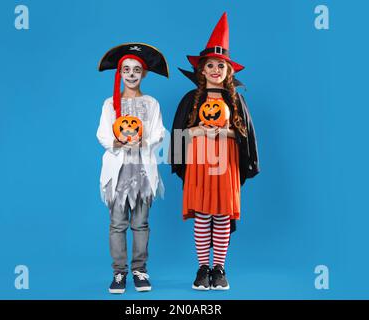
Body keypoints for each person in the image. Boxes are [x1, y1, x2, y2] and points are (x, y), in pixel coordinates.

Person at [170, 13, 259, 290]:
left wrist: (225, 132)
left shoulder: (236, 100)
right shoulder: (190, 100)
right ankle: (202, 268)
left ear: (228, 70)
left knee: (221, 215)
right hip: (199, 164)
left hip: (226, 164)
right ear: (202, 70)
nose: (215, 70)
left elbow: (245, 136)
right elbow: (178, 136)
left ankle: (219, 268)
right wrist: (194, 133)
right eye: (210, 65)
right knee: (202, 215)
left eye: (220, 65)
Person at [97, 43, 168, 293]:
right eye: (126, 69)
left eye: (136, 69)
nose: (131, 74)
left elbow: (159, 132)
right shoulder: (110, 104)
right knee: (117, 224)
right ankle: (119, 273)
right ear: (120, 73)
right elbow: (103, 134)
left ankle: (140, 269)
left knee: (140, 223)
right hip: (119, 172)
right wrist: (118, 141)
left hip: (142, 172)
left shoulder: (151, 103)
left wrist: (144, 140)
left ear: (144, 73)